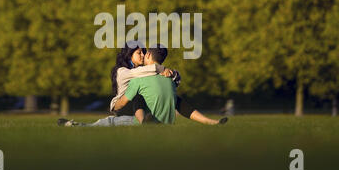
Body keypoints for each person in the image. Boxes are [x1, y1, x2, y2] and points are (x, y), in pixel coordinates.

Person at [58, 43, 228, 127]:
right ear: (129, 55)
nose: (142, 55)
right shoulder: (123, 71)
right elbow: (138, 76)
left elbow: (169, 83)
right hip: (121, 106)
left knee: (174, 98)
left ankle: (209, 122)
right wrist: (163, 69)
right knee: (138, 94)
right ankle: (143, 123)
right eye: (139, 53)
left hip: (138, 108)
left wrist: (174, 74)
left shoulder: (146, 73)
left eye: (143, 53)